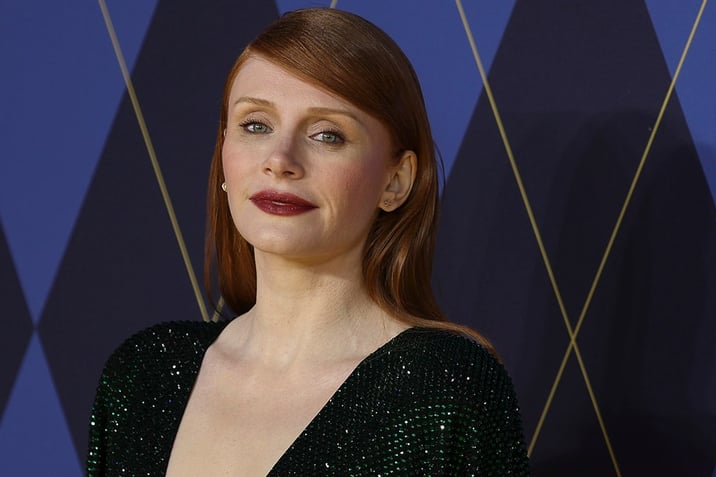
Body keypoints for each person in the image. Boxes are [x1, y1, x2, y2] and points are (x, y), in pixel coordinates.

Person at [87, 7, 529, 476]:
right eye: (255, 125)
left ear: (395, 181)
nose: (280, 160)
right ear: (223, 155)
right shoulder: (143, 375)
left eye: (327, 135)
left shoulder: (445, 388)